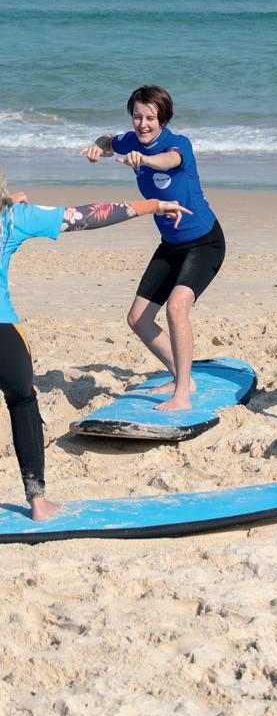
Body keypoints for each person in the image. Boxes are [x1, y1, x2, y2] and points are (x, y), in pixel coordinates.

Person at [0, 174, 190, 520]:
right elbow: (87, 216)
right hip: (2, 330)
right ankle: (38, 503)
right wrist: (150, 205)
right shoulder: (13, 218)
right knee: (22, 401)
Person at [79, 85, 225, 412]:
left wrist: (144, 159)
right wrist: (97, 146)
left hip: (205, 243)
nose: (143, 124)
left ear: (163, 119)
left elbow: (169, 160)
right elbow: (109, 140)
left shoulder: (178, 144)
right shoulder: (131, 140)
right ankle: (182, 377)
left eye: (150, 118)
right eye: (137, 117)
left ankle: (182, 395)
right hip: (171, 245)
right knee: (138, 319)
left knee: (176, 309)